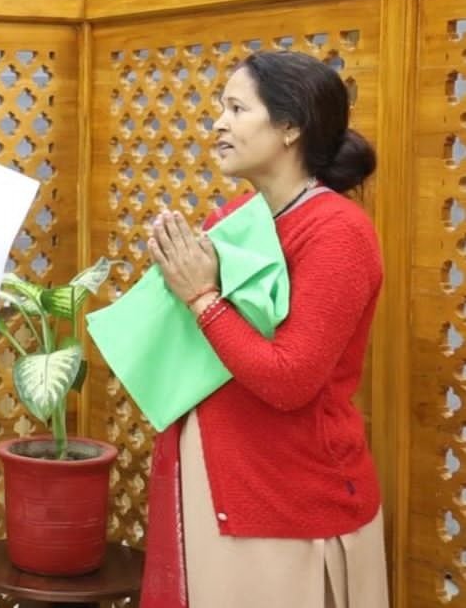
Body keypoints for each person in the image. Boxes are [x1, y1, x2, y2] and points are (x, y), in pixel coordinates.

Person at [141, 50, 387, 607]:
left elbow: (290, 379)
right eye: (220, 108)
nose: (217, 124)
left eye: (236, 109)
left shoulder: (337, 232)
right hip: (220, 478)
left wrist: (201, 297)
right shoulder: (233, 219)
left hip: (290, 497)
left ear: (290, 127)